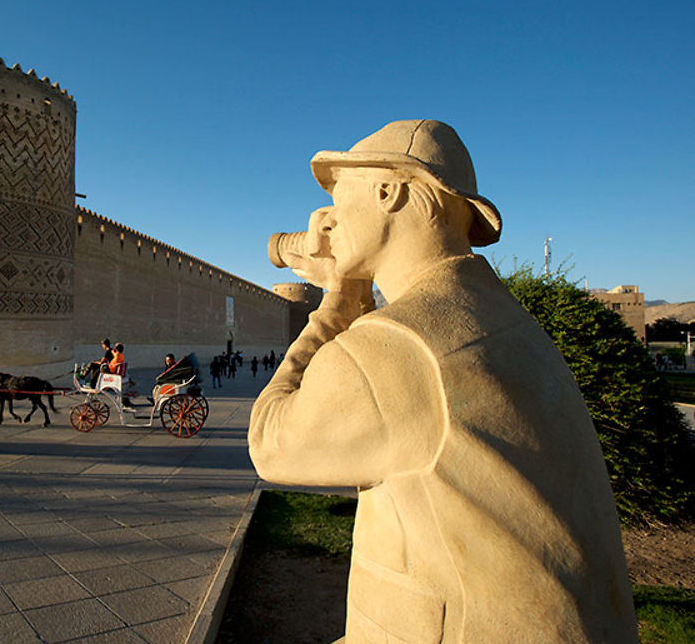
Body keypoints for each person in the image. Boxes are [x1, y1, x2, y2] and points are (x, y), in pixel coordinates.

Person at [248, 120, 636, 642]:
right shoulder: (497, 317)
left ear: (388, 191)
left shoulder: (397, 349)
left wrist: (337, 299)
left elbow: (271, 443)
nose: (330, 224)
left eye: (338, 203)